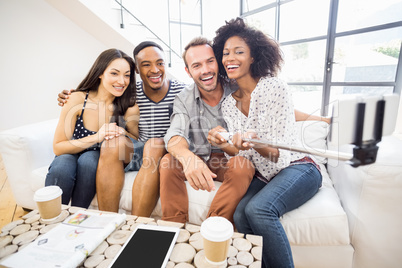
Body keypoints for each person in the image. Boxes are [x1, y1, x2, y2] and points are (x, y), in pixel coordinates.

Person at [211, 17, 323, 268]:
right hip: (264, 175)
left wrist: (253, 141)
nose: (230, 58)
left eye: (239, 51)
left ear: (253, 57)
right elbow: (237, 156)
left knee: (258, 209)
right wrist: (222, 141)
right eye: (226, 53)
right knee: (240, 213)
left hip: (298, 167)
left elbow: (278, 155)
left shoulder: (275, 88)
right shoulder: (228, 104)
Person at [58, 42, 186, 216]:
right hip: (139, 150)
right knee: (113, 144)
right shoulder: (129, 91)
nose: (155, 69)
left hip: (166, 151)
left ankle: (135, 224)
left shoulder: (182, 91)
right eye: (146, 64)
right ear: (138, 71)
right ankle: (108, 220)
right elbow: (102, 93)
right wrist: (69, 97)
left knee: (155, 144)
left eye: (160, 63)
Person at [159, 37, 256, 224]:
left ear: (218, 62)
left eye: (210, 61)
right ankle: (173, 227)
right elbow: (175, 133)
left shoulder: (238, 89)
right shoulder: (183, 99)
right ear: (188, 71)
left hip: (229, 159)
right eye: (196, 65)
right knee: (167, 161)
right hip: (198, 155)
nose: (205, 70)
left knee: (242, 166)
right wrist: (188, 158)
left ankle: (214, 228)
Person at [46, 48, 138, 209]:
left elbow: (135, 142)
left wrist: (123, 132)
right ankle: (52, 220)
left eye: (127, 75)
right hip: (70, 152)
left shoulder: (128, 107)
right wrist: (97, 137)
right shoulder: (76, 99)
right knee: (62, 165)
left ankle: (78, 216)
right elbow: (58, 146)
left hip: (96, 158)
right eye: (114, 73)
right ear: (100, 73)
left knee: (89, 161)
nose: (122, 81)